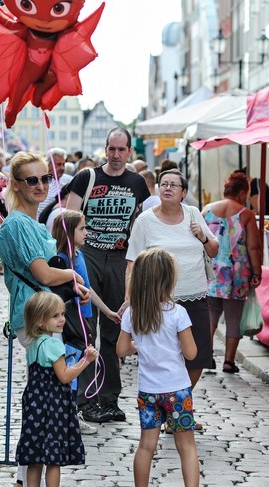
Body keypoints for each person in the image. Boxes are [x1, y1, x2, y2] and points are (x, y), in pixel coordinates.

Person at [0, 152, 89, 487]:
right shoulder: (19, 224)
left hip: (43, 312)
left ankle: (29, 482)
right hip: (35, 318)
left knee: (44, 399)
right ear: (16, 184)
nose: (40, 186)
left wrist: (71, 285)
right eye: (31, 180)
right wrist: (73, 275)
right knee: (48, 402)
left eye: (44, 179)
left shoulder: (32, 224)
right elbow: (44, 275)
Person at [116, 247, 210, 487]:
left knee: (146, 447)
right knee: (187, 447)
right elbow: (192, 353)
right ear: (169, 281)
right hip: (178, 391)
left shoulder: (132, 314)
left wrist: (140, 346)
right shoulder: (178, 313)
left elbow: (122, 349)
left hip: (148, 392)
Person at [65, 128, 150, 424]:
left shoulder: (137, 183)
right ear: (105, 149)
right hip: (87, 257)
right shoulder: (86, 178)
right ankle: (86, 398)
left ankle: (109, 397)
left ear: (129, 152)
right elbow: (69, 220)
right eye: (111, 149)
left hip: (119, 258)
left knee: (116, 326)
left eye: (121, 150)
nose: (115, 155)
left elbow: (144, 222)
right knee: (86, 328)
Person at [125, 169, 219, 430]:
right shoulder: (145, 221)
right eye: (163, 184)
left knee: (199, 356)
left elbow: (214, 249)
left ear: (183, 193)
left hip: (195, 295)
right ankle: (174, 411)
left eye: (173, 185)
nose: (167, 188)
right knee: (167, 358)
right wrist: (130, 297)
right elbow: (132, 261)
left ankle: (178, 405)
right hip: (159, 300)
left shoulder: (193, 214)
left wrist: (201, 235)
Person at [18, 292, 98, 487]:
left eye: (62, 314)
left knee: (35, 454)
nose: (62, 319)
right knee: (53, 457)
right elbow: (63, 376)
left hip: (35, 404)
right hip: (53, 405)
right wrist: (85, 360)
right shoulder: (53, 344)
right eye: (55, 316)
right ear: (40, 321)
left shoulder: (34, 343)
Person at [51, 209, 121, 435]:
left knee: (83, 362)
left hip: (86, 319)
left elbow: (88, 287)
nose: (86, 232)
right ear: (68, 232)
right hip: (72, 322)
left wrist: (107, 311)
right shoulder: (60, 260)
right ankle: (71, 414)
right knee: (73, 365)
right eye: (82, 228)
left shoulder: (79, 256)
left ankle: (73, 412)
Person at [202, 172, 263, 373]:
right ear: (243, 192)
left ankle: (206, 357)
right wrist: (257, 271)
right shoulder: (246, 215)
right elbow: (254, 247)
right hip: (237, 276)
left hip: (211, 272)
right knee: (233, 318)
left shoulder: (207, 211)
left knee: (210, 315)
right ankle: (228, 361)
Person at [37, 148, 72, 218]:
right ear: (48, 164)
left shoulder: (70, 180)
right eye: (58, 164)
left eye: (63, 164)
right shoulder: (39, 181)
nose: (62, 168)